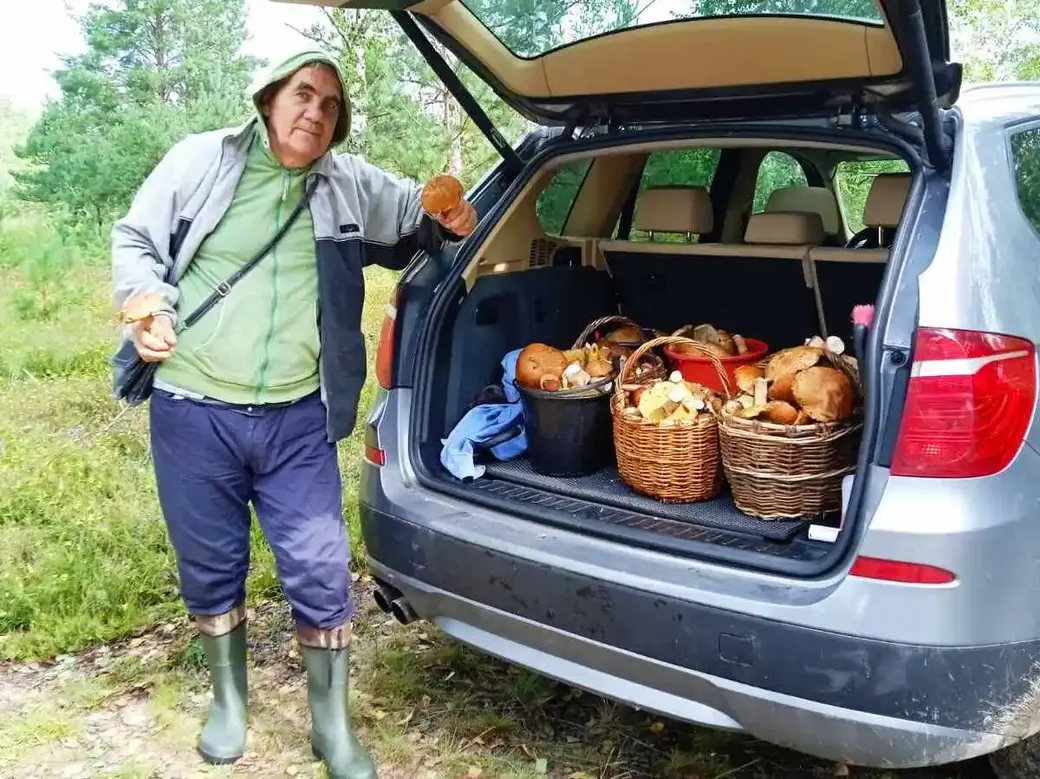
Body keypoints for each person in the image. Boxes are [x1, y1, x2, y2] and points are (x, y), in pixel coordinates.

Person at [109, 50, 477, 778]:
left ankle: (331, 725)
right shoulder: (200, 162)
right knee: (211, 561)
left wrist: (453, 217)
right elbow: (136, 240)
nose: (315, 111)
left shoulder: (348, 184)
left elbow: (418, 218)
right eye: (303, 94)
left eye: (331, 104)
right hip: (194, 406)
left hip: (296, 414)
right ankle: (228, 703)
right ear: (270, 98)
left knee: (318, 568)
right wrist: (146, 304)